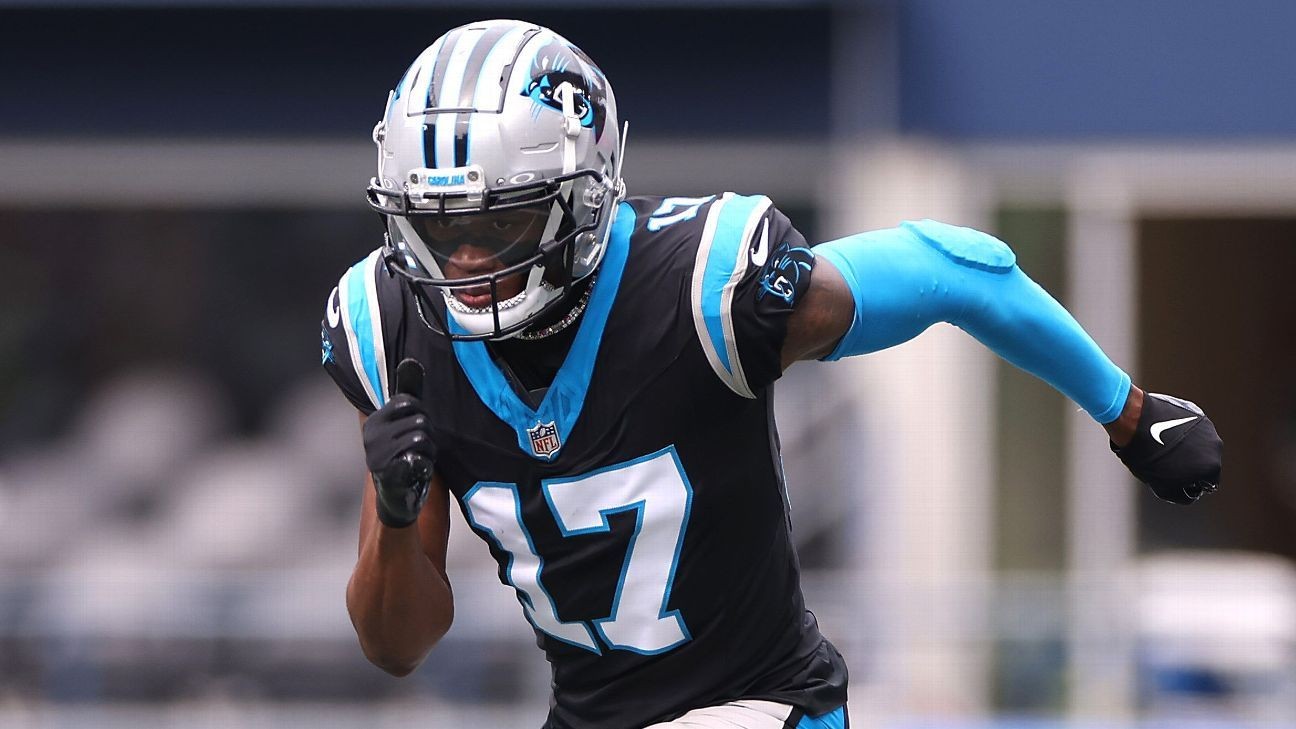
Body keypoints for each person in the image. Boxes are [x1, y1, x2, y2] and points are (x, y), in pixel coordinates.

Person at [320, 19, 1222, 729]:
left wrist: (1129, 408)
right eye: (440, 230)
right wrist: (398, 519)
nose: (469, 262)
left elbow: (957, 264)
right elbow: (397, 645)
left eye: (502, 225)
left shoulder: (706, 289)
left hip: (765, 704)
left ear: (582, 196)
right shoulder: (395, 329)